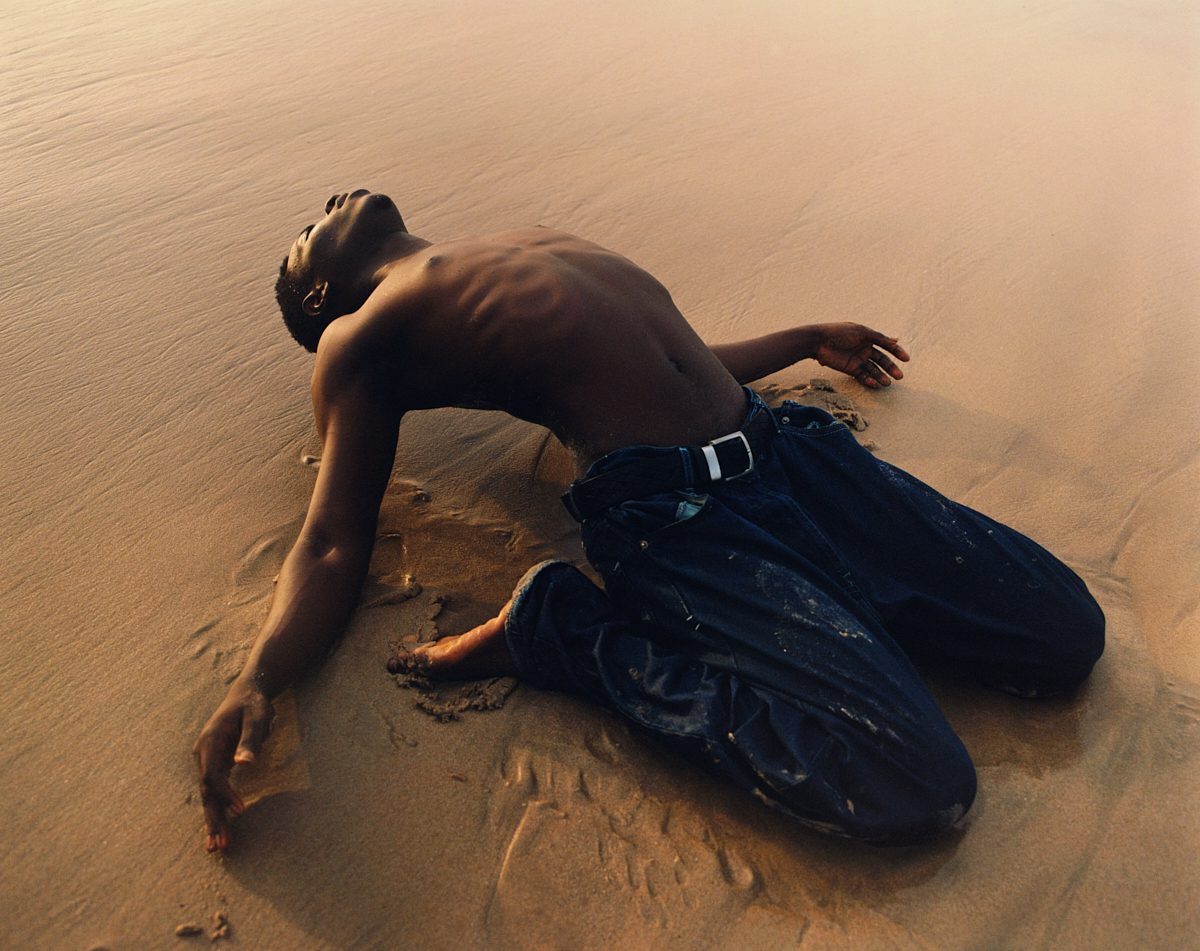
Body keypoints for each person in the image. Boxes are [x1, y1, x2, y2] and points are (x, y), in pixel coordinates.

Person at [193, 189, 1104, 852]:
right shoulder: (360, 338)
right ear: (319, 297)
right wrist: (261, 674)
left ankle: (854, 607)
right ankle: (566, 633)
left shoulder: (516, 240)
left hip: (788, 454)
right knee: (922, 786)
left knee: (1068, 633)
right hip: (681, 519)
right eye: (309, 226)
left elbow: (677, 357)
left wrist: (800, 338)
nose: (327, 201)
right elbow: (333, 534)